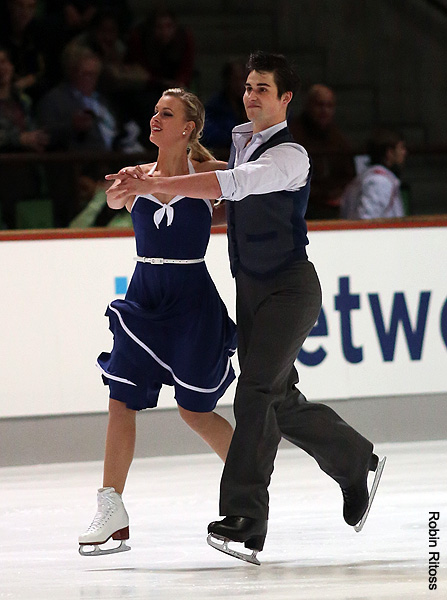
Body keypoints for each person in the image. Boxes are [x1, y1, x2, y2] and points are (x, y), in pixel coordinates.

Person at [105, 52, 386, 564]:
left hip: (290, 287)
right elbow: (213, 168)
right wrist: (149, 171)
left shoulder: (291, 155)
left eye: (264, 88)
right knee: (278, 398)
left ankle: (245, 519)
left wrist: (158, 183)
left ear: (285, 100)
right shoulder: (240, 141)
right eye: (249, 85)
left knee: (255, 391)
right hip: (251, 289)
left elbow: (229, 185)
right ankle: (355, 462)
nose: (252, 94)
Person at [78, 87, 237, 556]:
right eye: (154, 111)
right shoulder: (135, 176)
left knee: (195, 409)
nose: (155, 118)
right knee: (120, 399)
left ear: (188, 128)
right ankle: (111, 508)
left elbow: (250, 187)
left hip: (191, 298)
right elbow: (111, 202)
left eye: (166, 113)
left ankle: (248, 487)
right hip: (145, 296)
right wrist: (124, 188)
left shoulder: (212, 174)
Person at [288, 84, 355, 220]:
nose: (324, 111)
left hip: (334, 208)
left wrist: (339, 193)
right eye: (320, 105)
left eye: (329, 106)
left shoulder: (338, 139)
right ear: (308, 105)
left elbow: (349, 175)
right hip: (299, 208)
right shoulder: (292, 135)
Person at [0, 45, 48, 228]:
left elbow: (30, 126)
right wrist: (18, 139)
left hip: (27, 172)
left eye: (4, 62)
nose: (2, 68)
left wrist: (36, 139)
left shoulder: (22, 100)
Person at [340, 128, 407, 219]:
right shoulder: (380, 181)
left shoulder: (365, 176)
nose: (404, 153)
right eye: (401, 148)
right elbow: (366, 220)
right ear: (389, 153)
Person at [201, 60, 247, 154]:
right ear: (227, 80)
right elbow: (208, 135)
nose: (240, 84)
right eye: (236, 79)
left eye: (243, 79)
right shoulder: (214, 106)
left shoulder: (251, 105)